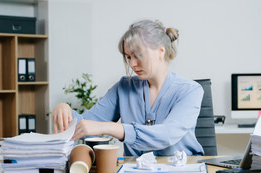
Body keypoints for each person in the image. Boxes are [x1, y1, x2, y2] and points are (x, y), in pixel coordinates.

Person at [52, 19, 204, 156]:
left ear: (160, 51)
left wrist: (110, 128)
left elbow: (167, 135)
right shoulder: (123, 87)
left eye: (137, 55)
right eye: (129, 57)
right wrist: (64, 110)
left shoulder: (190, 91)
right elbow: (86, 126)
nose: (132, 64)